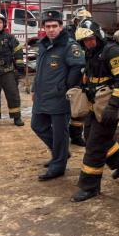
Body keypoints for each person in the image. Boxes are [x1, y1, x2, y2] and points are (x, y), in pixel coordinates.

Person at [71, 21, 119, 202]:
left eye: (90, 39)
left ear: (97, 35)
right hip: (95, 106)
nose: (87, 43)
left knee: (94, 146)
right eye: (84, 41)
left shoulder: (113, 52)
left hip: (109, 107)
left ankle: (90, 187)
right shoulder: (92, 52)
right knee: (91, 135)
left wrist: (113, 107)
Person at [31, 10, 85, 181]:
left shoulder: (70, 45)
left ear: (61, 27)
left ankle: (58, 166)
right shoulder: (43, 44)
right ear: (44, 28)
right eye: (48, 26)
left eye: (55, 26)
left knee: (60, 133)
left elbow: (77, 67)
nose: (51, 29)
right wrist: (34, 89)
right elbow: (39, 70)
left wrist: (66, 87)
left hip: (59, 96)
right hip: (42, 95)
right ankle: (61, 153)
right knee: (37, 125)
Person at [66, 7, 92, 147]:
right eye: (80, 19)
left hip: (83, 73)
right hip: (68, 73)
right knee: (65, 104)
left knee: (80, 103)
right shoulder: (67, 34)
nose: (83, 22)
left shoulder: (91, 32)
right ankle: (61, 134)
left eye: (86, 20)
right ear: (75, 21)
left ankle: (76, 135)